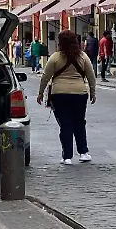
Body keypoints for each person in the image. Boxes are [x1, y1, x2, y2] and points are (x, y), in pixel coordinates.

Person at [37, 30, 97, 165]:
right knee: (79, 122)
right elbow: (91, 76)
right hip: (80, 93)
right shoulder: (83, 57)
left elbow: (45, 77)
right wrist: (93, 93)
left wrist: (40, 93)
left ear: (60, 43)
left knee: (65, 125)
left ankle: (67, 156)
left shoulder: (55, 57)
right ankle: (84, 152)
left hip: (59, 94)